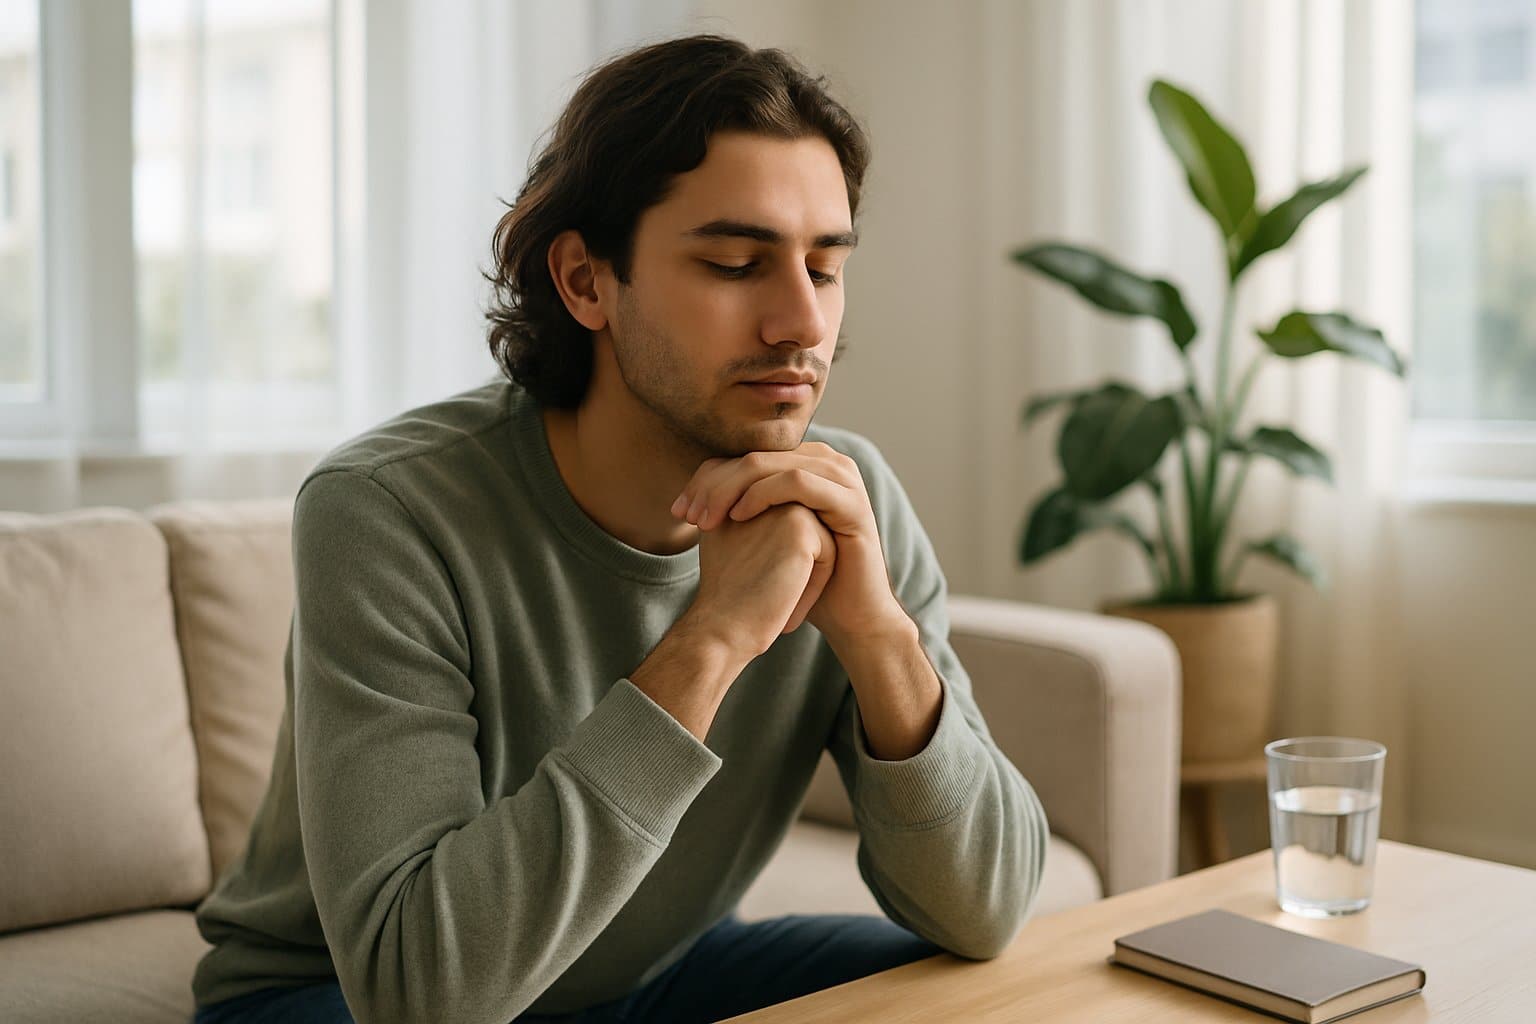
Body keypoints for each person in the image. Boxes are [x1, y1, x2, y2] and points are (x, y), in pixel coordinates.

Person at [189, 32, 1049, 1024]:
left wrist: (876, 636)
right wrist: (714, 637)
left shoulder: (848, 504)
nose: (801, 323)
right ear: (586, 281)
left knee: (983, 997)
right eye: (736, 263)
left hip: (648, 975)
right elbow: (419, 987)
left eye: (823, 268)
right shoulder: (388, 510)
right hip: (335, 998)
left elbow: (989, 909)